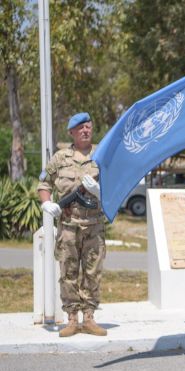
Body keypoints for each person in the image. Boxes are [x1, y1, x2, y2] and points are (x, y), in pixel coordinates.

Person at [37, 112, 107, 337]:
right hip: (68, 225)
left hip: (94, 225)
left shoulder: (102, 154)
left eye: (88, 126)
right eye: (80, 128)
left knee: (93, 272)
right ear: (71, 132)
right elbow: (44, 184)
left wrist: (100, 191)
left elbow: (116, 184)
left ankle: (89, 318)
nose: (85, 130)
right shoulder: (60, 158)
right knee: (68, 272)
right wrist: (47, 204)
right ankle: (72, 319)